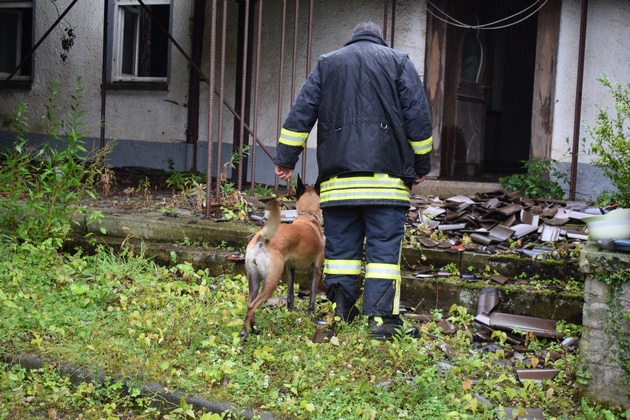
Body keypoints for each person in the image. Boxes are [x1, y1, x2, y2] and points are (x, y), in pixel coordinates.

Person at [273, 20, 433, 339]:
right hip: (387, 183)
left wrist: (285, 158)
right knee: (383, 252)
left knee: (342, 251)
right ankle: (382, 323)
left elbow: (301, 112)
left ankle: (342, 313)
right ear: (380, 39)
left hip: (337, 183)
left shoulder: (328, 64)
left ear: (352, 39)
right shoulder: (399, 62)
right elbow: (418, 117)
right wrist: (421, 163)